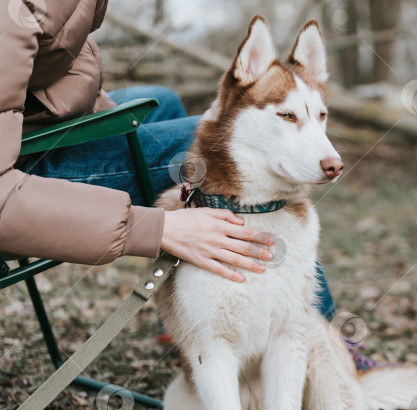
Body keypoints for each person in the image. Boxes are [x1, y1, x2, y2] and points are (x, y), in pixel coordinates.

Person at [0, 0, 336, 320]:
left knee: (163, 102)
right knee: (226, 136)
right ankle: (322, 335)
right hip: (22, 169)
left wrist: (102, 118)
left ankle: (183, 306)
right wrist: (157, 229)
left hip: (33, 126)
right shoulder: (12, 15)